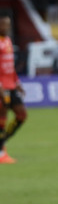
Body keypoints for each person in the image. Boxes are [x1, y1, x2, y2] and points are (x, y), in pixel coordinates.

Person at [0, 15, 27, 164]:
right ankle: (0, 152)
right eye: (3, 25)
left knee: (21, 115)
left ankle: (2, 142)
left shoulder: (8, 41)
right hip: (1, 87)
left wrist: (17, 82)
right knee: (1, 117)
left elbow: (9, 66)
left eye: (8, 25)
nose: (6, 27)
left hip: (10, 85)